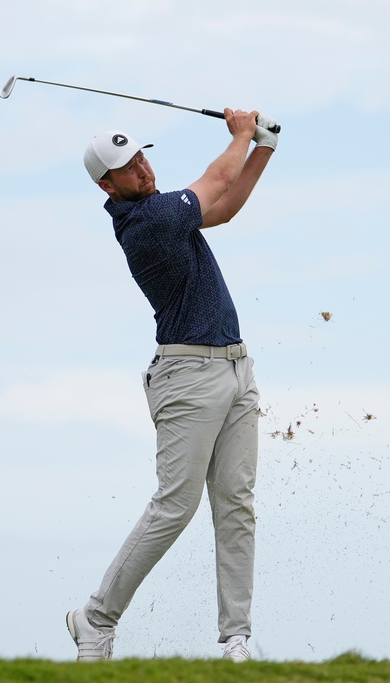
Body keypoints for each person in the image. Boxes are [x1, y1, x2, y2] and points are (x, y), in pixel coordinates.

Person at [66, 107, 278, 663]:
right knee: (174, 507)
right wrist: (240, 135)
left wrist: (263, 149)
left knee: (237, 505)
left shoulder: (164, 210)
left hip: (236, 368)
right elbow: (216, 181)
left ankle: (237, 639)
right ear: (106, 185)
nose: (142, 168)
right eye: (127, 167)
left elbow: (224, 208)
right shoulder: (148, 221)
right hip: (187, 376)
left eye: (140, 156)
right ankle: (95, 618)